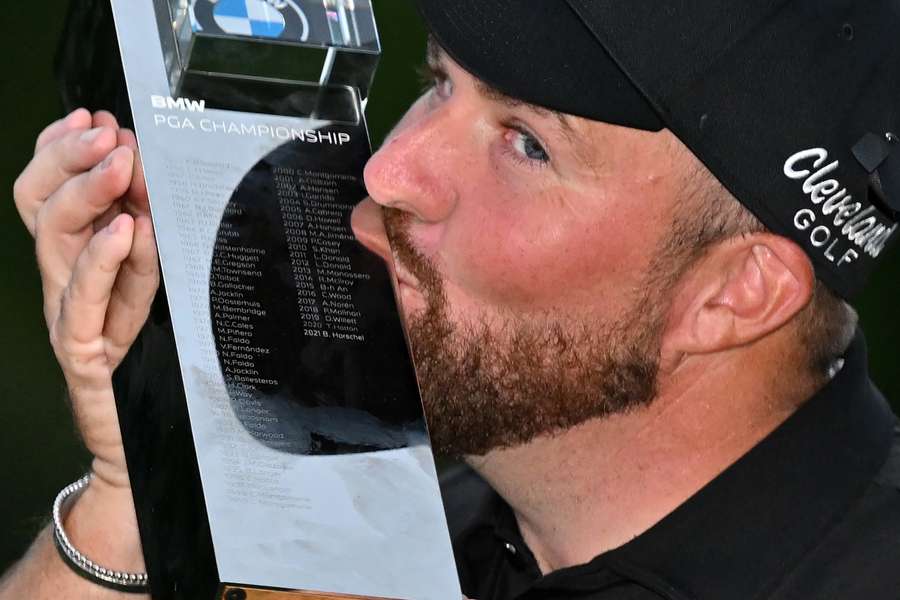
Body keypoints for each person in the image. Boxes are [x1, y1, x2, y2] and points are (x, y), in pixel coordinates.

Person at [4, 1, 900, 598]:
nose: (388, 171)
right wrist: (139, 496)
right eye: (440, 83)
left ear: (735, 294)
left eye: (527, 144)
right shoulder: (382, 534)